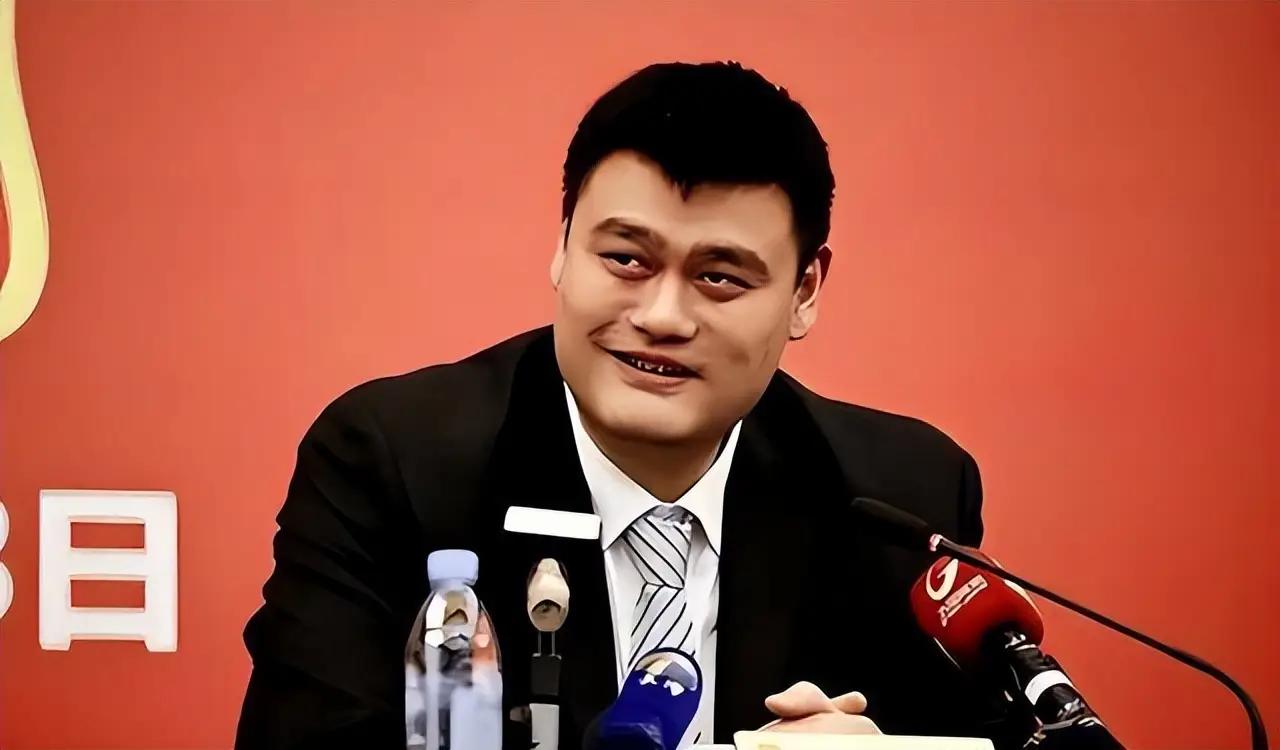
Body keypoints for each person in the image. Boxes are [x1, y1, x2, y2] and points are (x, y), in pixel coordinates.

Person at [236, 61, 1014, 749]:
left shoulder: (900, 502)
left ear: (804, 291)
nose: (663, 317)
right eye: (626, 259)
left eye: (719, 277)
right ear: (562, 245)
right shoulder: (393, 465)